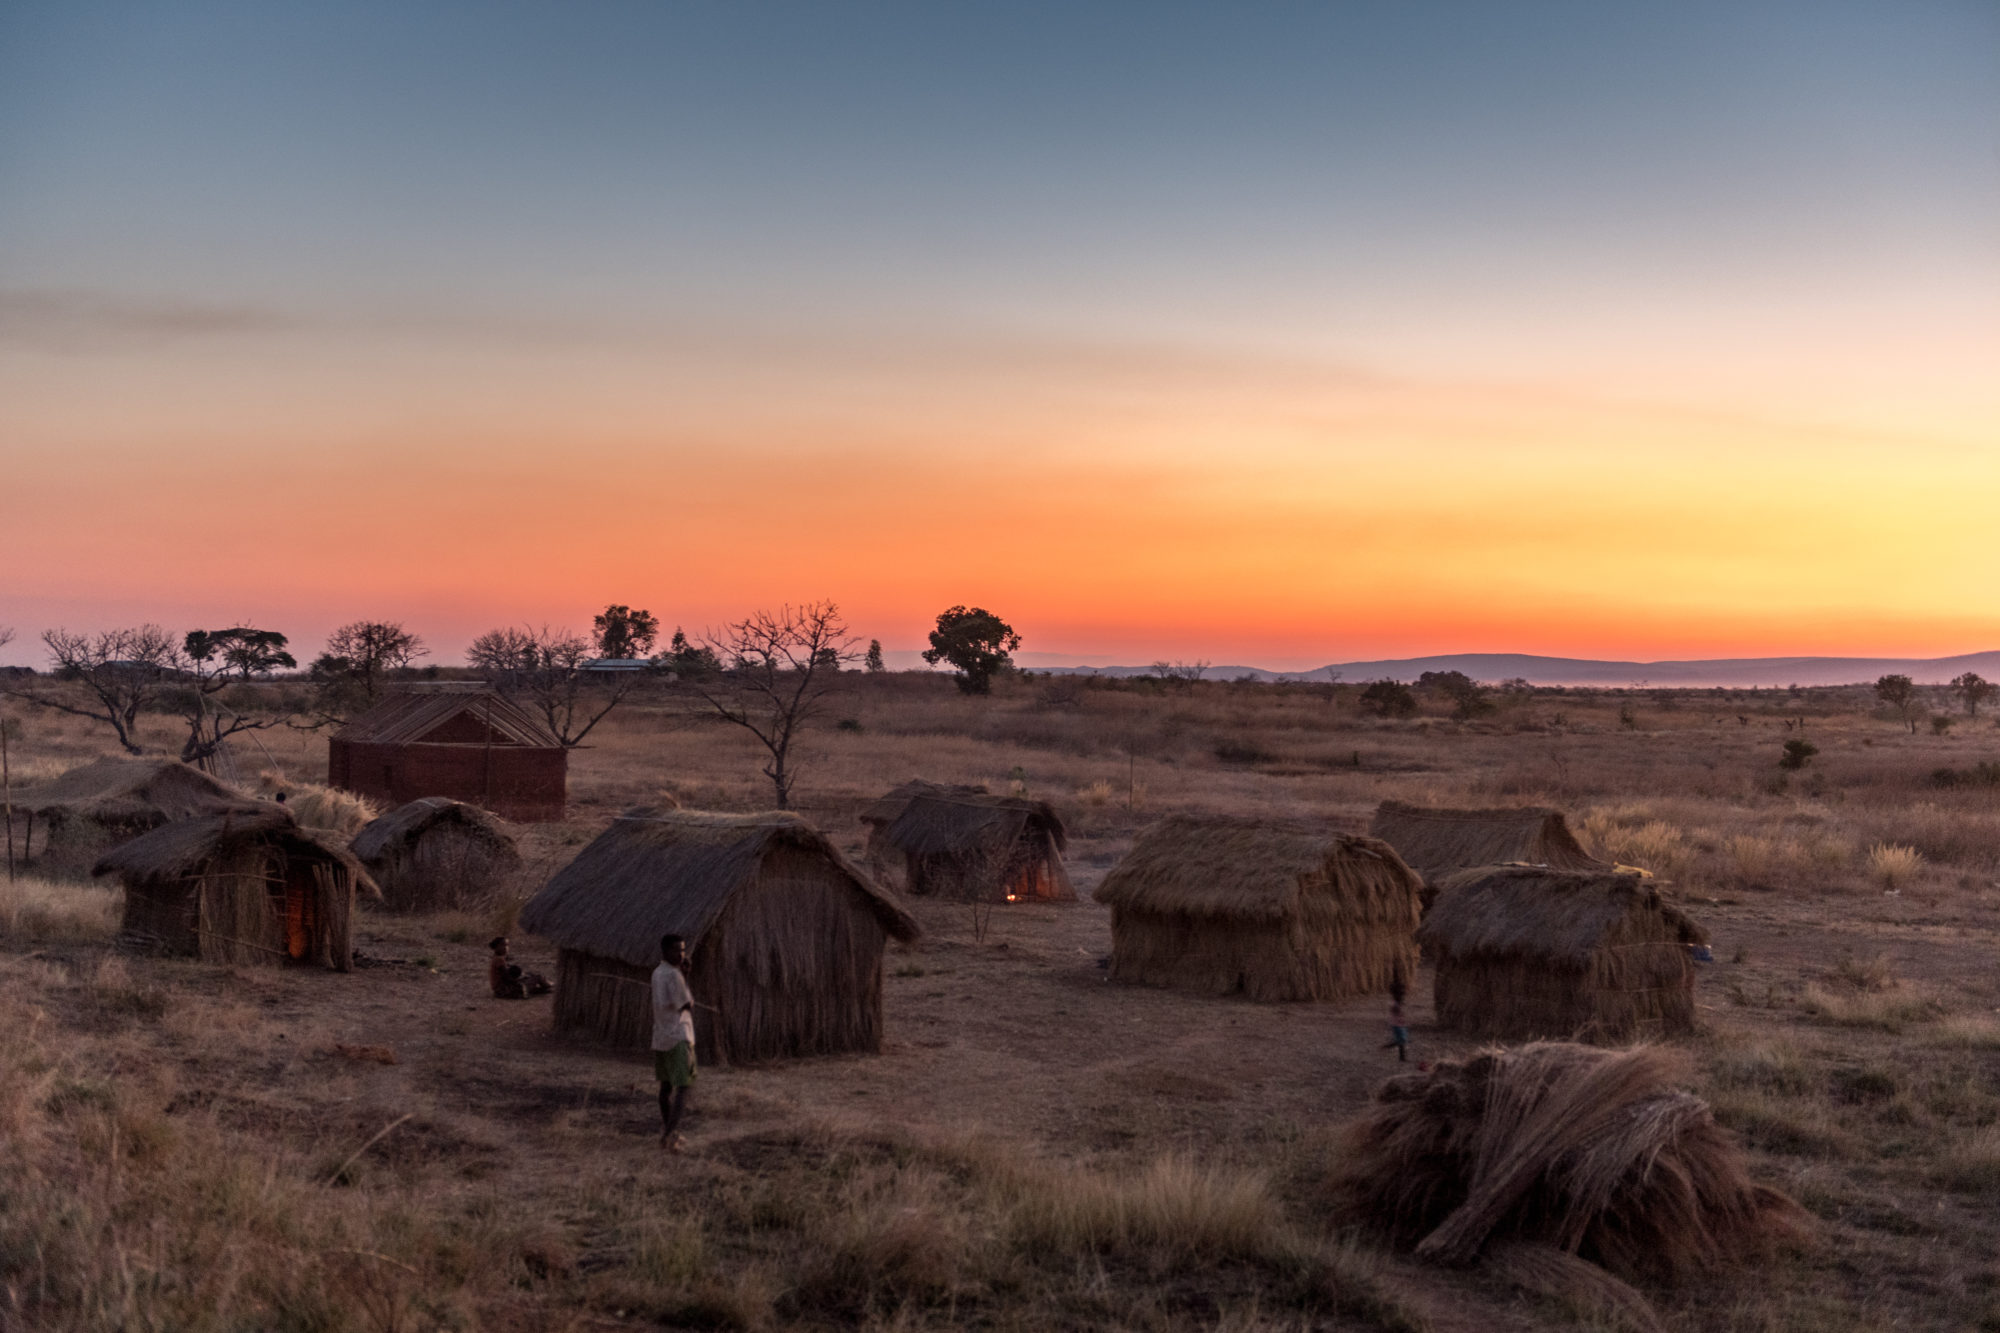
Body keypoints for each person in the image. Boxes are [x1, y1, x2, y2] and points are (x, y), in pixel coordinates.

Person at [652, 933, 697, 1151]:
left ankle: (670, 1132)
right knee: (683, 1087)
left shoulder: (658, 973)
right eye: (676, 950)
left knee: (665, 1089)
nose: (681, 954)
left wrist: (684, 975)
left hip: (661, 1036)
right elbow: (684, 1005)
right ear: (665, 951)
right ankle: (669, 1135)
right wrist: (689, 995)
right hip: (679, 1036)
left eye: (682, 950)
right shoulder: (673, 976)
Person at [1381, 975, 1410, 1062]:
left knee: (1402, 1040)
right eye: (1401, 995)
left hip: (1400, 1024)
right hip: (1397, 1025)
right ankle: (1400, 1056)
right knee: (1401, 1041)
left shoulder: (1397, 1002)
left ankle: (1400, 1056)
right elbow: (1397, 1012)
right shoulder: (1394, 1004)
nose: (1402, 996)